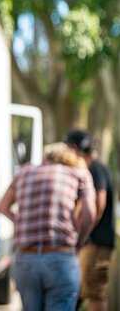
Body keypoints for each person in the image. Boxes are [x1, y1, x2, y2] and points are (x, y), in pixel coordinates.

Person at [0, 142, 96, 311]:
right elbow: (90, 213)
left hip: (25, 258)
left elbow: (2, 206)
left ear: (46, 157)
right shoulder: (78, 173)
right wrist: (79, 239)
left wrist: (22, 222)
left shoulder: (24, 172)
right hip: (59, 256)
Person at [64, 130, 115, 311]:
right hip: (93, 243)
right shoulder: (96, 167)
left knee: (96, 293)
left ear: (75, 148)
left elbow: (99, 205)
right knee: (86, 291)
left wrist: (83, 233)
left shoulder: (96, 168)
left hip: (97, 243)